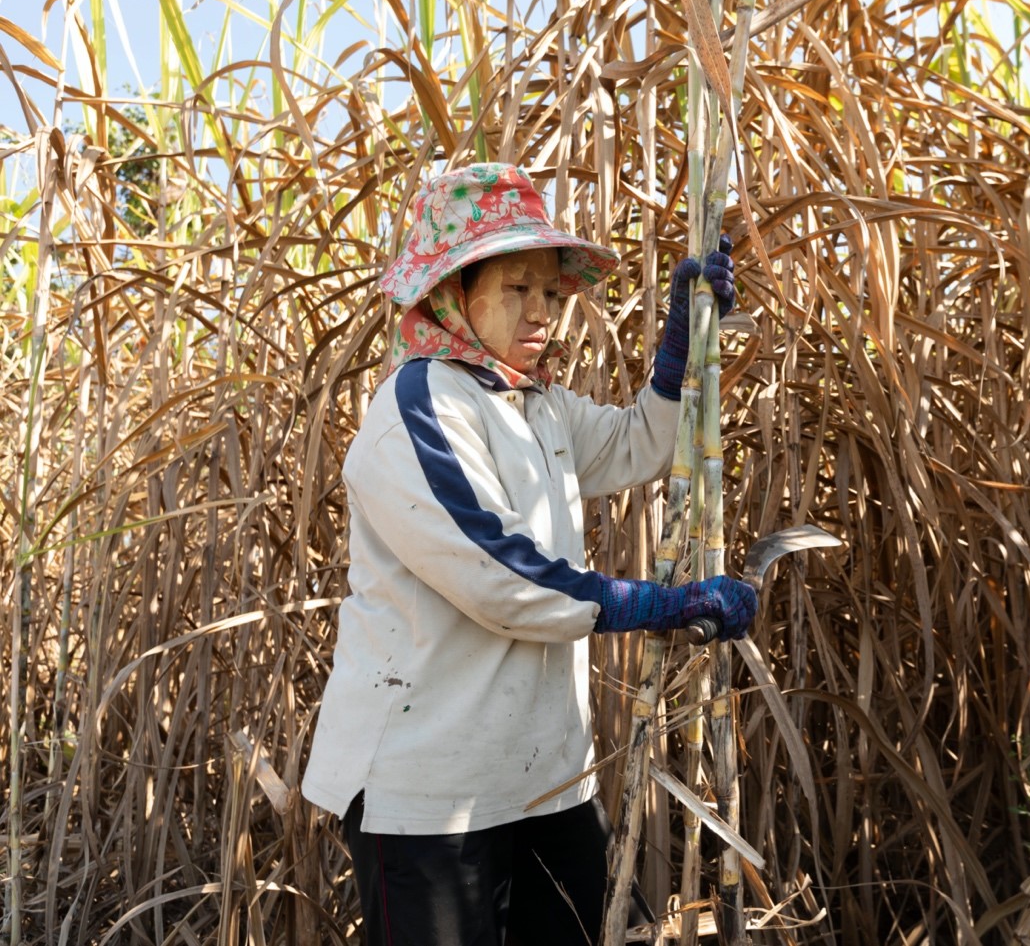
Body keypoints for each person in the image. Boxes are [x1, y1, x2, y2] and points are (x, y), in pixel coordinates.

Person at [301, 162, 755, 945]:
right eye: (518, 288)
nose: (543, 310)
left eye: (551, 291)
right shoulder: (418, 409)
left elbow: (634, 444)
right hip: (428, 791)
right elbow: (502, 578)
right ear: (454, 290)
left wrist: (682, 348)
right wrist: (659, 605)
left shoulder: (532, 400)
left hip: (544, 778)